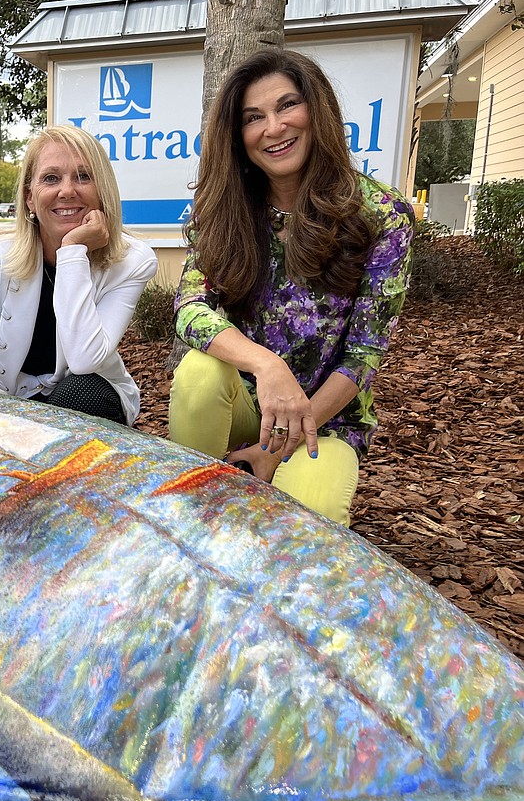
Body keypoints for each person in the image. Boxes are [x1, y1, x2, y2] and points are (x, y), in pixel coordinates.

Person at [169, 49, 414, 526]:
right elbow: (191, 307)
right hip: (242, 403)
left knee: (312, 517)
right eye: (253, 117)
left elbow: (363, 355)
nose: (274, 128)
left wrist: (273, 451)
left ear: (316, 110)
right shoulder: (221, 213)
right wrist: (267, 366)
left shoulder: (383, 215)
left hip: (325, 420)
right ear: (238, 137)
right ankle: (187, 518)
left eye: (287, 106)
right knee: (200, 374)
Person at [0, 125, 157, 425]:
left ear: (102, 190)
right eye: (51, 178)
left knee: (77, 393)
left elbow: (85, 359)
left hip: (91, 400)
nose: (67, 191)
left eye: (83, 176)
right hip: (17, 404)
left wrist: (72, 250)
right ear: (30, 198)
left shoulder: (132, 261)